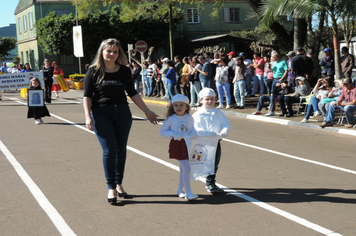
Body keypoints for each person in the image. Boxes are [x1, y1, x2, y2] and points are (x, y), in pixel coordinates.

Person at [83, 38, 159, 205]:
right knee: (109, 150)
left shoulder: (124, 71)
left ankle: (118, 184)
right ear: (102, 52)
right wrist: (88, 117)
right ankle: (110, 187)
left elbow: (133, 93)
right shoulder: (93, 71)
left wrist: (147, 111)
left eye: (115, 51)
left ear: (119, 54)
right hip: (101, 113)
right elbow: (87, 96)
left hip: (122, 113)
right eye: (109, 51)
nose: (112, 54)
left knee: (121, 150)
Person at [159, 94, 198, 201]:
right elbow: (162, 131)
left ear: (186, 107)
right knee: (187, 168)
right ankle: (189, 193)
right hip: (177, 145)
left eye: (181, 105)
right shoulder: (171, 119)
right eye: (176, 105)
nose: (179, 107)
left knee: (183, 169)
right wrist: (174, 134)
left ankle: (180, 190)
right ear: (172, 107)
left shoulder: (189, 117)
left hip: (188, 145)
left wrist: (193, 132)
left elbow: (192, 128)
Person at [193, 88, 230, 193]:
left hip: (215, 142)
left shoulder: (218, 113)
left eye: (212, 99)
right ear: (201, 100)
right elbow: (196, 128)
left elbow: (225, 123)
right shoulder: (198, 114)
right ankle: (201, 179)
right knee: (203, 162)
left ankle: (210, 182)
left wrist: (224, 131)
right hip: (202, 142)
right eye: (207, 99)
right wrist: (208, 134)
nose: (210, 101)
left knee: (214, 162)